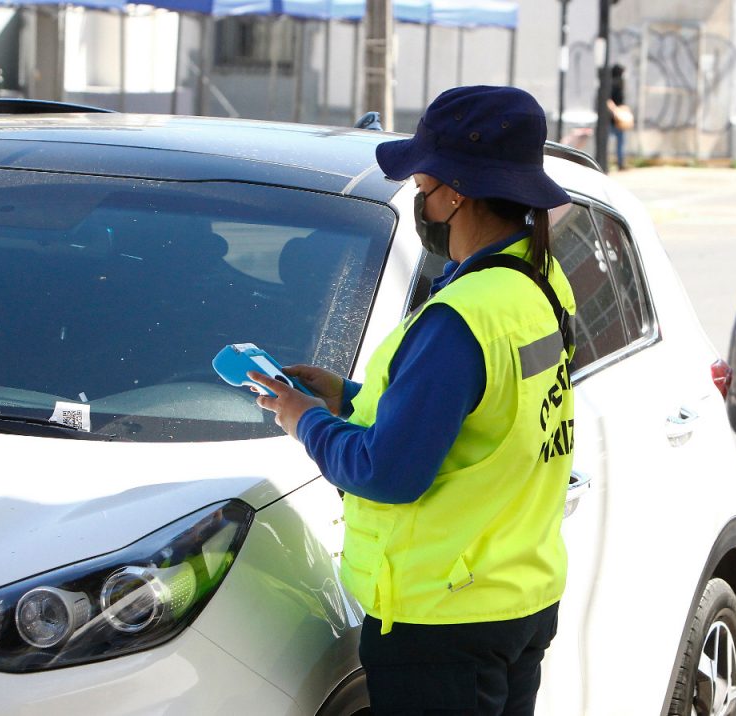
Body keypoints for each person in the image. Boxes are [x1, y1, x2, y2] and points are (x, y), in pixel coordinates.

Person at [251, 85, 577, 715]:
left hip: (443, 621)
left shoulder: (462, 316)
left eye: (423, 188)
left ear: (456, 194)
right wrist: (347, 398)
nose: (420, 202)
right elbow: (483, 417)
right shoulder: (536, 280)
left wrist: (305, 419)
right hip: (516, 599)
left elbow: (388, 473)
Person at [606, 63, 630, 170]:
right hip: (614, 118)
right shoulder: (615, 85)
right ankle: (618, 163)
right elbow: (609, 101)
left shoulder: (614, 84)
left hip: (615, 118)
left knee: (619, 141)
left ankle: (619, 163)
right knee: (618, 142)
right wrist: (617, 111)